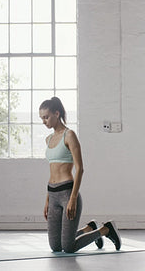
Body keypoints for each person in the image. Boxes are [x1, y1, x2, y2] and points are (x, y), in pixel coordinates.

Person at [39, 96, 121, 253]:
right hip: (53, 193)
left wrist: (73, 198)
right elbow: (51, 173)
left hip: (67, 192)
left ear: (57, 113)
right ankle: (89, 228)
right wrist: (47, 200)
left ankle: (106, 230)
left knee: (68, 247)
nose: (44, 121)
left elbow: (80, 168)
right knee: (56, 246)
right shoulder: (48, 139)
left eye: (46, 117)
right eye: (41, 118)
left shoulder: (69, 135)